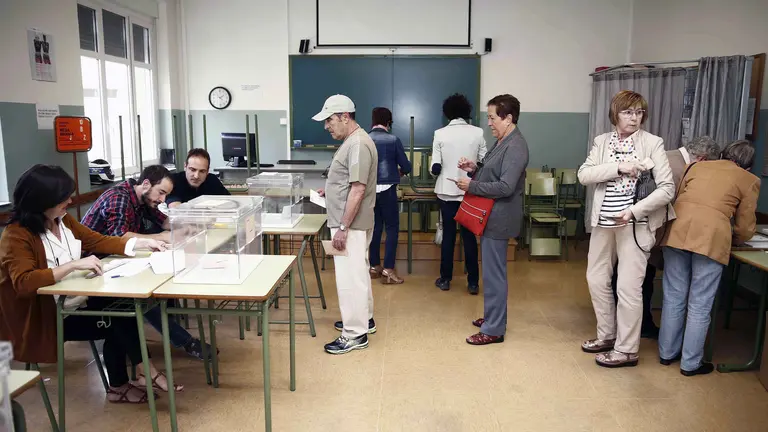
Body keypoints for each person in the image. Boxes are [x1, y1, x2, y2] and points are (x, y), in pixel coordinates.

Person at [0, 165, 178, 403]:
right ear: (42, 200)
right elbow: (23, 282)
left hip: (74, 302)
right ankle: (140, 373)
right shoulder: (16, 235)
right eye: (64, 197)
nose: (70, 201)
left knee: (123, 307)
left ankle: (132, 377)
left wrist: (142, 245)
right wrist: (72, 266)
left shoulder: (61, 220)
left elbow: (96, 240)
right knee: (119, 318)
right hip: (46, 317)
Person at [578, 90, 674, 368]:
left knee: (628, 287)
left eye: (639, 112)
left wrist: (633, 211)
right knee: (596, 278)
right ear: (615, 114)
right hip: (604, 222)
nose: (635, 118)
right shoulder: (602, 142)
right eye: (628, 112)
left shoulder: (653, 143)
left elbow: (667, 189)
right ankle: (607, 335)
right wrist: (620, 167)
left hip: (635, 223)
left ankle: (627, 349)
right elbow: (584, 175)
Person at [82, 165, 212, 360]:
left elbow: (165, 221)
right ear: (145, 184)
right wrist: (160, 237)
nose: (162, 200)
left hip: (116, 261)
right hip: (93, 266)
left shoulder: (143, 199)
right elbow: (120, 237)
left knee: (157, 285)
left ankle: (177, 338)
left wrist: (190, 225)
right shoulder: (119, 197)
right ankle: (185, 342)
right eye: (161, 193)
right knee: (143, 297)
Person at [659, 140, 760, 376]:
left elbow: (679, 198)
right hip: (711, 238)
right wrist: (737, 235)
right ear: (748, 165)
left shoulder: (695, 167)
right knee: (700, 303)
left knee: (673, 296)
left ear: (724, 154)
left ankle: (666, 354)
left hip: (677, 231)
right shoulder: (749, 180)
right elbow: (745, 227)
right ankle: (690, 364)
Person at [609, 136, 721, 339]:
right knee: (640, 281)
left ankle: (625, 323)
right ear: (703, 159)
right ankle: (639, 327)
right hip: (646, 229)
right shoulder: (680, 168)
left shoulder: (667, 156)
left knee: (627, 276)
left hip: (627, 222)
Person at [455, 94, 528, 345]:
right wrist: (474, 169)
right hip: (492, 216)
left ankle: (494, 329)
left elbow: (506, 186)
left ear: (508, 118)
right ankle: (492, 317)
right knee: (492, 273)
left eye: (492, 117)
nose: (489, 122)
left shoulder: (516, 146)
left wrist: (472, 185)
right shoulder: (502, 141)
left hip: (500, 218)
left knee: (495, 274)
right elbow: (493, 173)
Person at [312, 94, 378, 354]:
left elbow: (358, 189)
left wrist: (342, 227)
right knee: (359, 273)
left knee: (349, 279)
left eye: (329, 120)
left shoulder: (358, 144)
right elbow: (349, 183)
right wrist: (332, 190)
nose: (326, 126)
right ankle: (365, 320)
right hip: (353, 222)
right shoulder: (353, 141)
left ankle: (354, 333)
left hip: (350, 225)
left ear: (344, 117)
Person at [431, 93, 487, 294]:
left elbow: (435, 167)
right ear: (467, 111)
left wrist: (440, 168)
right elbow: (484, 163)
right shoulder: (478, 132)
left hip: (447, 193)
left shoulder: (440, 133)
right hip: (470, 193)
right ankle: (473, 283)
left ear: (447, 113)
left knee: (448, 236)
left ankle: (445, 279)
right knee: (469, 238)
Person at [367, 107, 411, 284]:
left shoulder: (365, 139)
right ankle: (388, 270)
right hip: (388, 190)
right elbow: (406, 167)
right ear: (389, 122)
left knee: (375, 227)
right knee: (392, 228)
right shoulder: (393, 140)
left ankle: (374, 266)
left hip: (369, 191)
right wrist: (398, 172)